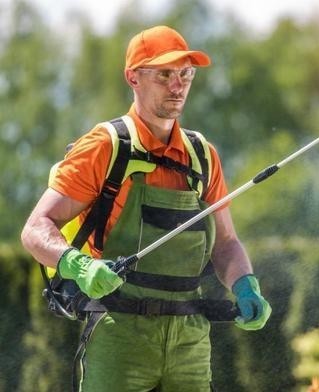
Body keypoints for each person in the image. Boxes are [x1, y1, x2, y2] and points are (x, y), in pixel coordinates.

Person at [21, 25, 271, 391]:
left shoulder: (203, 156)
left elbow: (226, 243)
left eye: (186, 73)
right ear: (133, 77)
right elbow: (35, 228)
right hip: (119, 333)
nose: (178, 84)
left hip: (190, 339)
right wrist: (80, 265)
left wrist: (246, 285)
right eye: (164, 74)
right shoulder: (106, 147)